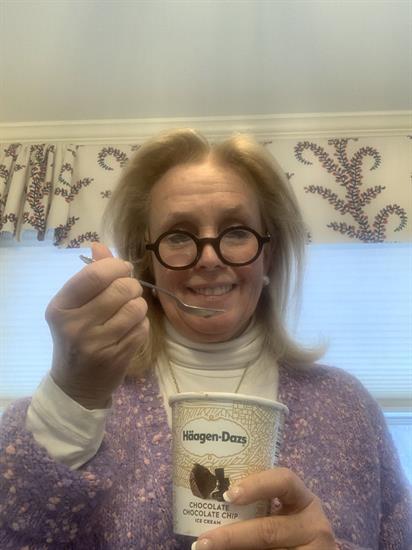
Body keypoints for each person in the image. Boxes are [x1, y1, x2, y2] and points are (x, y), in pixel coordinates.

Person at [0, 129, 410, 550]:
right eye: (178, 236)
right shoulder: (83, 407)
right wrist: (71, 397)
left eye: (237, 231)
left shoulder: (348, 408)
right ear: (148, 262)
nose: (210, 258)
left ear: (268, 254)